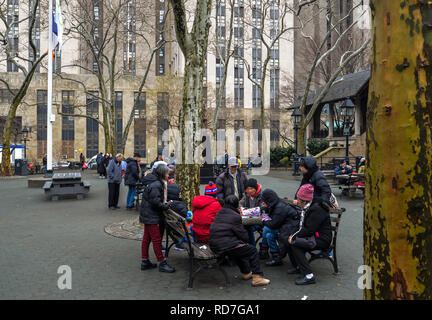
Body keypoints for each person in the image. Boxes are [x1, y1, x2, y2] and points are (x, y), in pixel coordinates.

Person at [209, 195, 270, 287]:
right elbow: (244, 237)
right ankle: (258, 278)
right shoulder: (235, 216)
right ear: (236, 205)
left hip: (214, 244)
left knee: (239, 247)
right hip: (225, 246)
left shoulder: (219, 213)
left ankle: (246, 273)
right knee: (252, 250)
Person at [285, 184, 332, 285]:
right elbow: (303, 227)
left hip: (321, 239)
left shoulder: (317, 209)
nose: (297, 201)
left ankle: (309, 276)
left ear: (304, 200)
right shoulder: (310, 206)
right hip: (313, 236)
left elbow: (309, 229)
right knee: (289, 241)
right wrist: (292, 235)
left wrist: (294, 237)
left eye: (298, 199)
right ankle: (299, 267)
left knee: (294, 244)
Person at [140, 164, 175, 273]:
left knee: (147, 238)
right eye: (167, 174)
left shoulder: (154, 182)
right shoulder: (156, 185)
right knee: (156, 239)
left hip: (147, 214)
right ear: (162, 174)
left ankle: (145, 261)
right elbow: (155, 201)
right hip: (151, 215)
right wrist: (165, 205)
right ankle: (162, 263)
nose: (168, 176)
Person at [260, 189, 300, 266]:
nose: (263, 203)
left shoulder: (280, 208)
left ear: (268, 200)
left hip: (290, 230)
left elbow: (273, 224)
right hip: (285, 227)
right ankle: (276, 257)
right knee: (269, 235)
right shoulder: (276, 203)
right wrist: (263, 210)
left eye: (264, 201)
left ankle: (264, 250)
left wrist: (263, 219)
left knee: (267, 229)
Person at [239, 178, 265, 246]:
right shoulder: (246, 195)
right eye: (248, 188)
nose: (249, 191)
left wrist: (251, 211)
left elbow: (263, 208)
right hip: (248, 218)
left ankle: (252, 247)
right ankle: (245, 246)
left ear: (256, 188)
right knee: (240, 226)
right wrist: (241, 209)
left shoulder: (262, 196)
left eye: (251, 188)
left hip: (258, 220)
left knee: (248, 227)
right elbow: (240, 203)